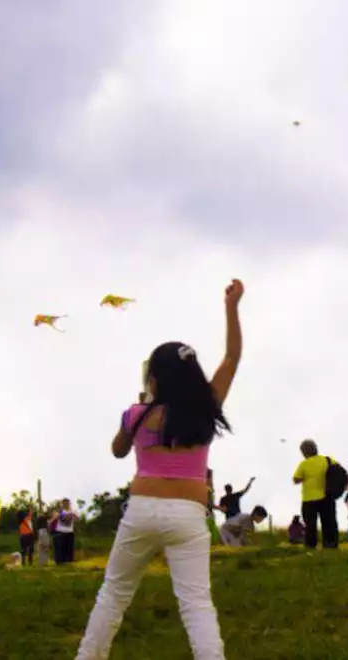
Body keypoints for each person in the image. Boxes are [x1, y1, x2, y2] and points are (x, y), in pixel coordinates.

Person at [76, 279, 243, 660]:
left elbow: (118, 451)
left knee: (114, 593)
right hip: (188, 514)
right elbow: (232, 358)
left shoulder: (137, 414)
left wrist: (142, 408)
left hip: (141, 510)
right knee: (197, 603)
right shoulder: (205, 408)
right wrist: (232, 308)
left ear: (154, 379)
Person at [292, 439, 339, 550]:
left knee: (310, 525)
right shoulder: (327, 460)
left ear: (304, 452)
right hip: (327, 496)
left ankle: (310, 546)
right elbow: (338, 471)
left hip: (308, 499)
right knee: (329, 522)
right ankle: (330, 545)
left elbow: (296, 479)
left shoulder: (304, 464)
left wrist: (306, 477)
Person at [55, 499, 77, 564]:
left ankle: (69, 560)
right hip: (61, 531)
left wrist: (73, 516)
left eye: (67, 503)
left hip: (70, 531)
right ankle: (61, 561)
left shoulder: (73, 511)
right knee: (61, 547)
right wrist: (67, 516)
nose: (66, 504)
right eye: (64, 503)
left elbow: (77, 518)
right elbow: (59, 517)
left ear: (69, 503)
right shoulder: (60, 511)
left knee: (69, 547)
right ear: (62, 504)